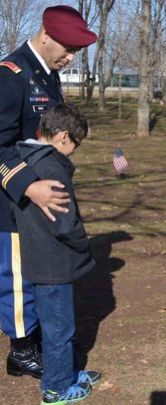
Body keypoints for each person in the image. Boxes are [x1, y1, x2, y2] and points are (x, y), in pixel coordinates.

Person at [0, 5, 96, 379]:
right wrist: (29, 186)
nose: (70, 57)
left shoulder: (46, 76)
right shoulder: (12, 75)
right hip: (13, 201)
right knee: (17, 278)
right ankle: (22, 352)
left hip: (40, 200)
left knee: (35, 272)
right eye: (67, 49)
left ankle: (33, 343)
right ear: (46, 36)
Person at [13, 103, 101, 404]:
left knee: (61, 324)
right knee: (58, 330)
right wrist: (82, 243)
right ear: (63, 136)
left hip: (41, 258)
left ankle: (71, 372)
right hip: (53, 262)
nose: (75, 150)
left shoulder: (27, 159)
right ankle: (56, 389)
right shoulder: (51, 167)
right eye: (76, 143)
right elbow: (65, 222)